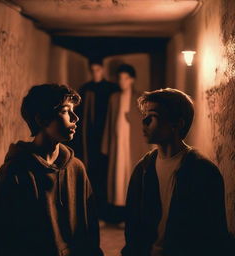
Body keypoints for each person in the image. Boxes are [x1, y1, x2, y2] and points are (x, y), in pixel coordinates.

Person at [0, 84, 103, 256]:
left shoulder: (77, 168)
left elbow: (90, 232)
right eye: (65, 111)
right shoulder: (15, 172)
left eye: (73, 110)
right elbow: (2, 241)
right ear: (41, 119)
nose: (75, 118)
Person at [121, 88, 229, 256]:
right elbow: (132, 228)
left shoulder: (203, 171)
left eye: (153, 116)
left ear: (177, 124)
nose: (145, 122)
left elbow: (213, 234)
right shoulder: (142, 169)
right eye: (145, 116)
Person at [72, 58, 119, 218]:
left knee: (107, 175)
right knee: (91, 176)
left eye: (98, 70)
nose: (95, 73)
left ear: (103, 70)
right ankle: (93, 213)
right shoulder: (85, 89)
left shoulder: (112, 89)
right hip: (89, 140)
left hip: (107, 139)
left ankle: (108, 213)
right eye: (92, 70)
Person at [102, 64, 148, 223]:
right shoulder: (114, 98)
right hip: (117, 144)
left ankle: (132, 217)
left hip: (133, 144)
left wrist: (132, 119)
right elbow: (109, 121)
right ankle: (117, 215)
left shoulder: (140, 98)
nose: (122, 81)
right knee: (117, 178)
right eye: (120, 78)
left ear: (132, 80)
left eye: (125, 78)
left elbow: (146, 121)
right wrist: (106, 145)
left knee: (131, 175)